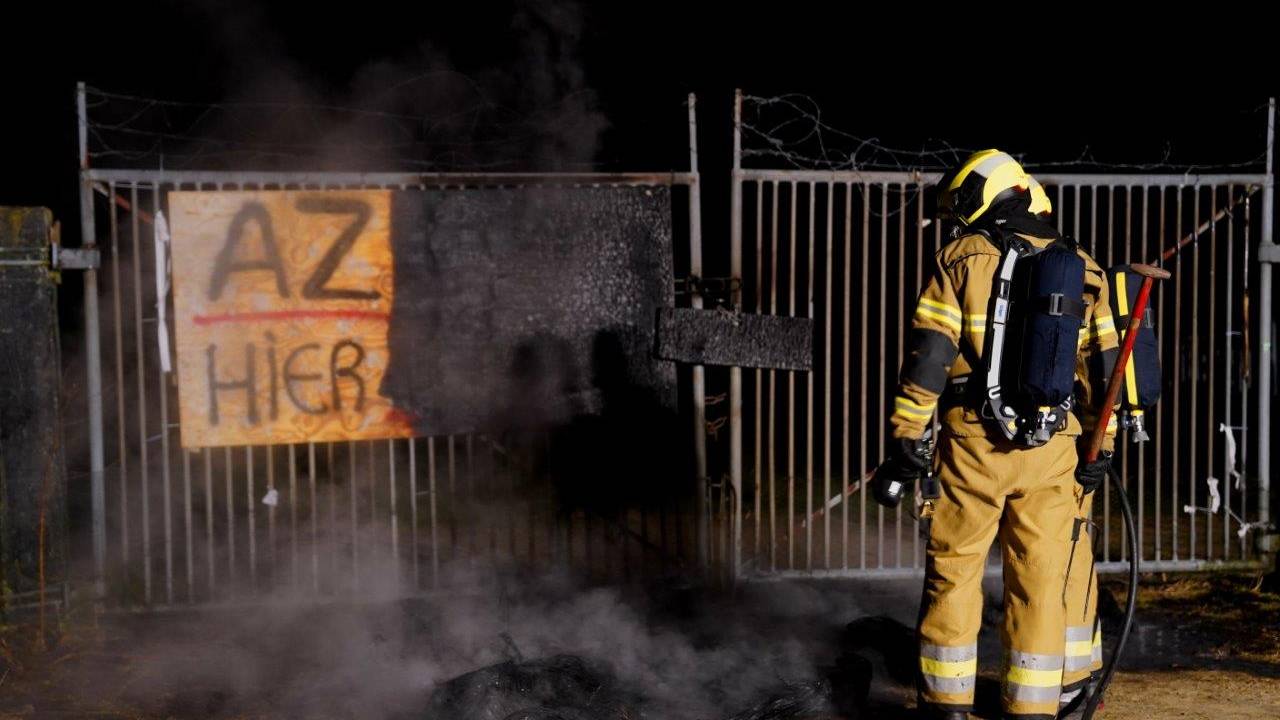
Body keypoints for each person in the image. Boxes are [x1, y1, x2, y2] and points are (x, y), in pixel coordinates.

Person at [872, 149, 1118, 719]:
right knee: (1040, 579)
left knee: (955, 571)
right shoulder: (1084, 266)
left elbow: (930, 358)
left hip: (972, 444)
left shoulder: (959, 260)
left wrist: (908, 433)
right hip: (1055, 449)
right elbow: (1104, 373)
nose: (956, 218)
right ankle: (1031, 709)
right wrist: (1097, 448)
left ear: (979, 195)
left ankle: (946, 706)